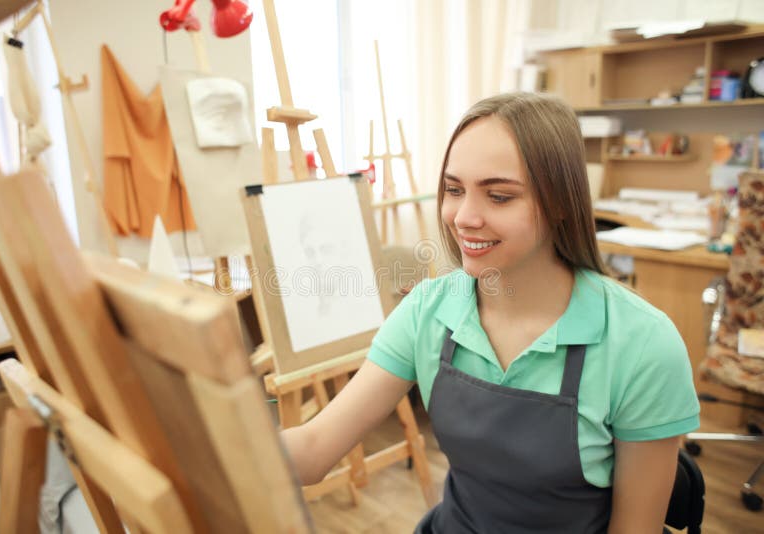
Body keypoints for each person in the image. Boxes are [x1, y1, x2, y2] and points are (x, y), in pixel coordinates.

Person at [281, 92, 700, 533]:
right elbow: (313, 447)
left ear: (560, 202)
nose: (464, 217)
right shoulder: (427, 311)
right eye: (454, 190)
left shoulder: (642, 343)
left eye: (499, 196)